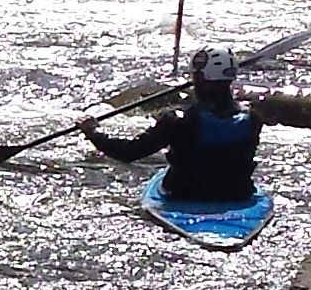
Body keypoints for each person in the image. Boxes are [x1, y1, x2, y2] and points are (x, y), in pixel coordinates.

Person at [90, 47, 262, 206]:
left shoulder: (178, 120)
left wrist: (93, 133)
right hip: (238, 194)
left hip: (184, 195)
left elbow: (128, 153)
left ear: (200, 77)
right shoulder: (252, 118)